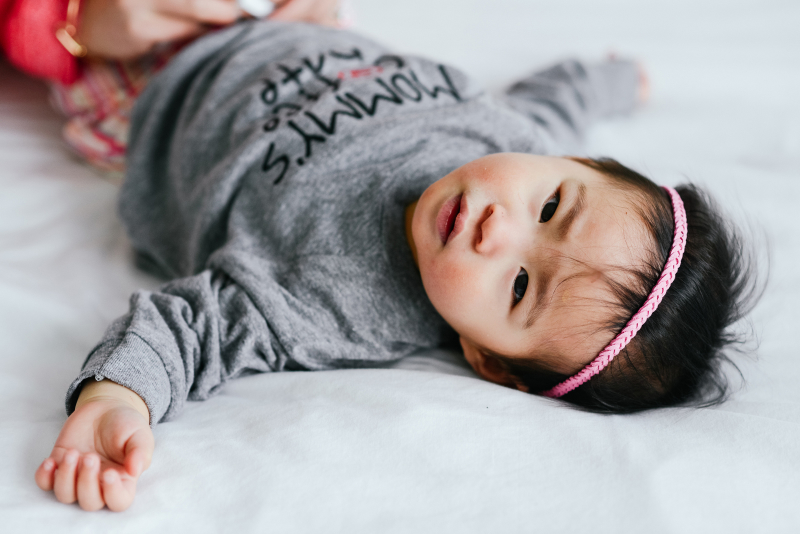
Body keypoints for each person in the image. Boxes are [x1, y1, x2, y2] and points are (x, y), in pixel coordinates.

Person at [34, 18, 755, 512]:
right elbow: (551, 104)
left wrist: (118, 399)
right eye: (550, 206)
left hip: (158, 91)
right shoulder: (514, 136)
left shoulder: (337, 298)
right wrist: (605, 80)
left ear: (490, 361)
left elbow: (190, 327)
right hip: (289, 25)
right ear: (571, 164)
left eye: (520, 285)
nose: (498, 228)